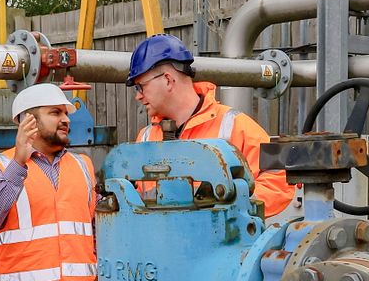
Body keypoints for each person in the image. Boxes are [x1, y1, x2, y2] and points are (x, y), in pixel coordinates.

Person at [126, 33, 294, 218]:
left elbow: (280, 178)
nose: (138, 96)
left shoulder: (234, 126)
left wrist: (234, 211)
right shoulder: (145, 137)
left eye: (140, 86)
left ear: (168, 80)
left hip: (224, 244)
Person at [0, 83, 97, 281]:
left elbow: (95, 228)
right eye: (55, 112)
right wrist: (18, 163)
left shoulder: (83, 165)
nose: (66, 120)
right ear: (28, 120)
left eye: (65, 113)